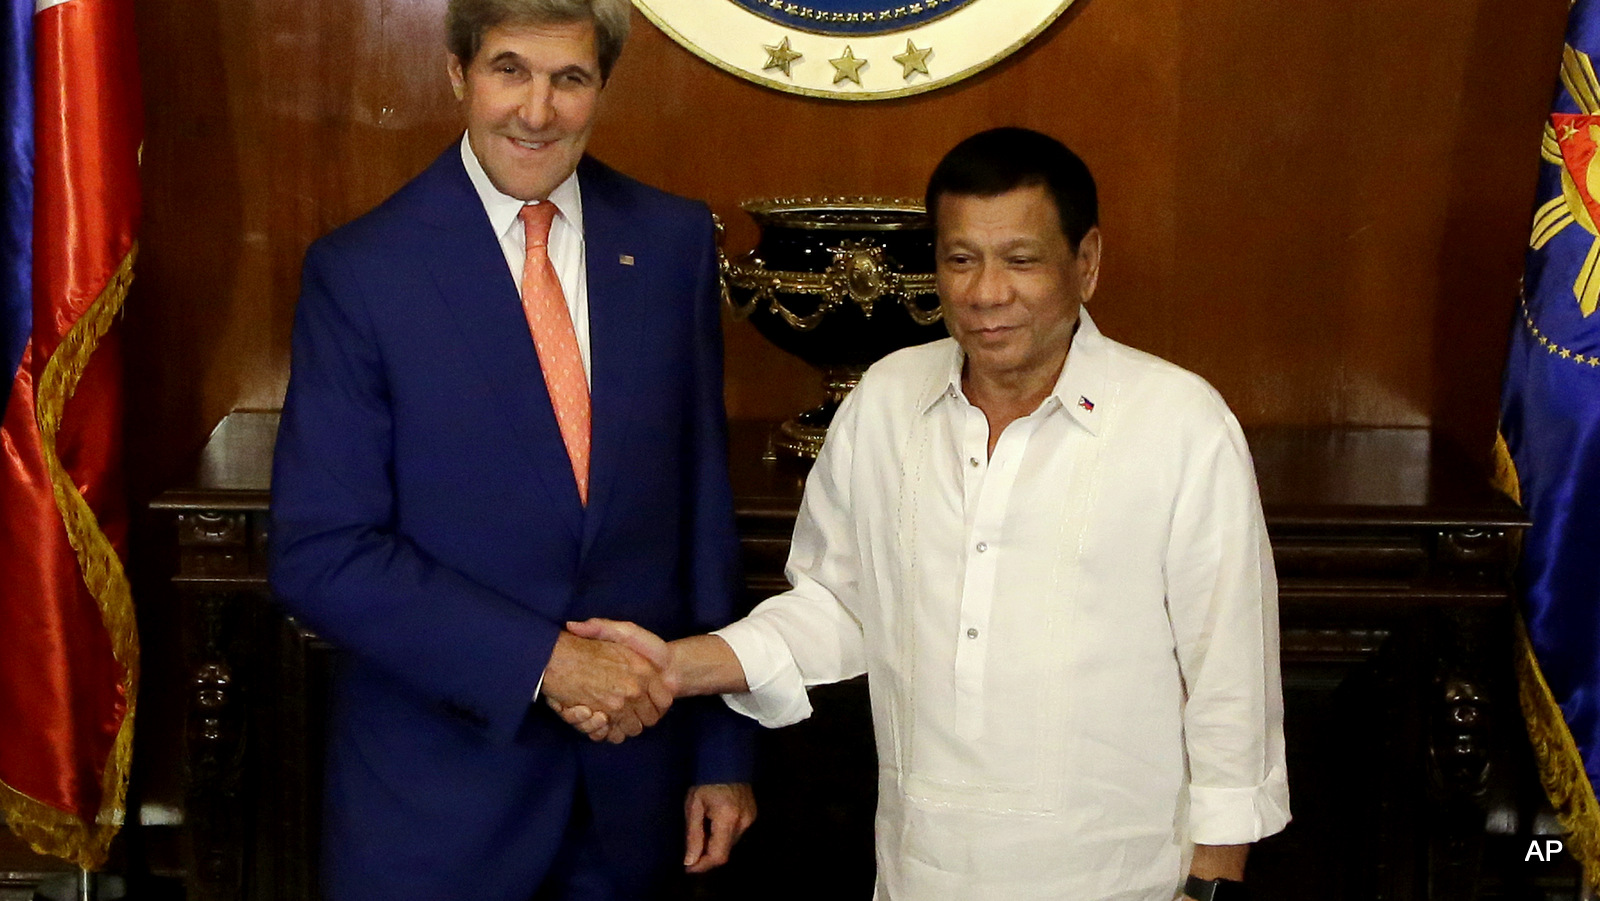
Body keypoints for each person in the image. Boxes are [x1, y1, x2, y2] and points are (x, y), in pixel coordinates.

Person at [555, 128, 1290, 900]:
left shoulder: (1178, 423)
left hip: (1125, 878)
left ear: (1088, 262)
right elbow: (839, 607)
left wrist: (1213, 883)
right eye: (961, 258)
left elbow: (1229, 676)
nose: (984, 292)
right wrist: (676, 666)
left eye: (1021, 259)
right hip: (922, 873)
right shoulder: (886, 402)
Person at [268, 1, 755, 898]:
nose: (537, 110)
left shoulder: (674, 242)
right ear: (459, 73)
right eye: (510, 70)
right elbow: (321, 551)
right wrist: (549, 661)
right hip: (436, 810)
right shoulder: (363, 270)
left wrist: (720, 749)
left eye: (569, 79)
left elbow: (701, 516)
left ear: (601, 86)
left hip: (634, 803)